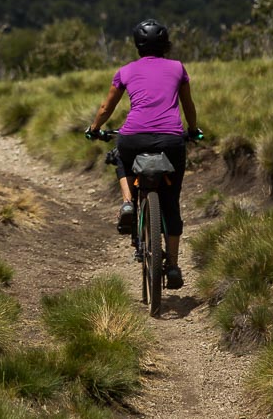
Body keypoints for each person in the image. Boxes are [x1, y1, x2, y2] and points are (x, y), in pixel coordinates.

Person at [85, 19, 200, 289]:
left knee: (120, 158)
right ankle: (173, 266)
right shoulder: (178, 68)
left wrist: (94, 129)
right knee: (171, 203)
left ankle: (128, 202)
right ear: (165, 44)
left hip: (133, 137)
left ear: (137, 45)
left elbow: (106, 108)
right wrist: (193, 130)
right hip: (171, 140)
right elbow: (188, 105)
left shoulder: (125, 71)